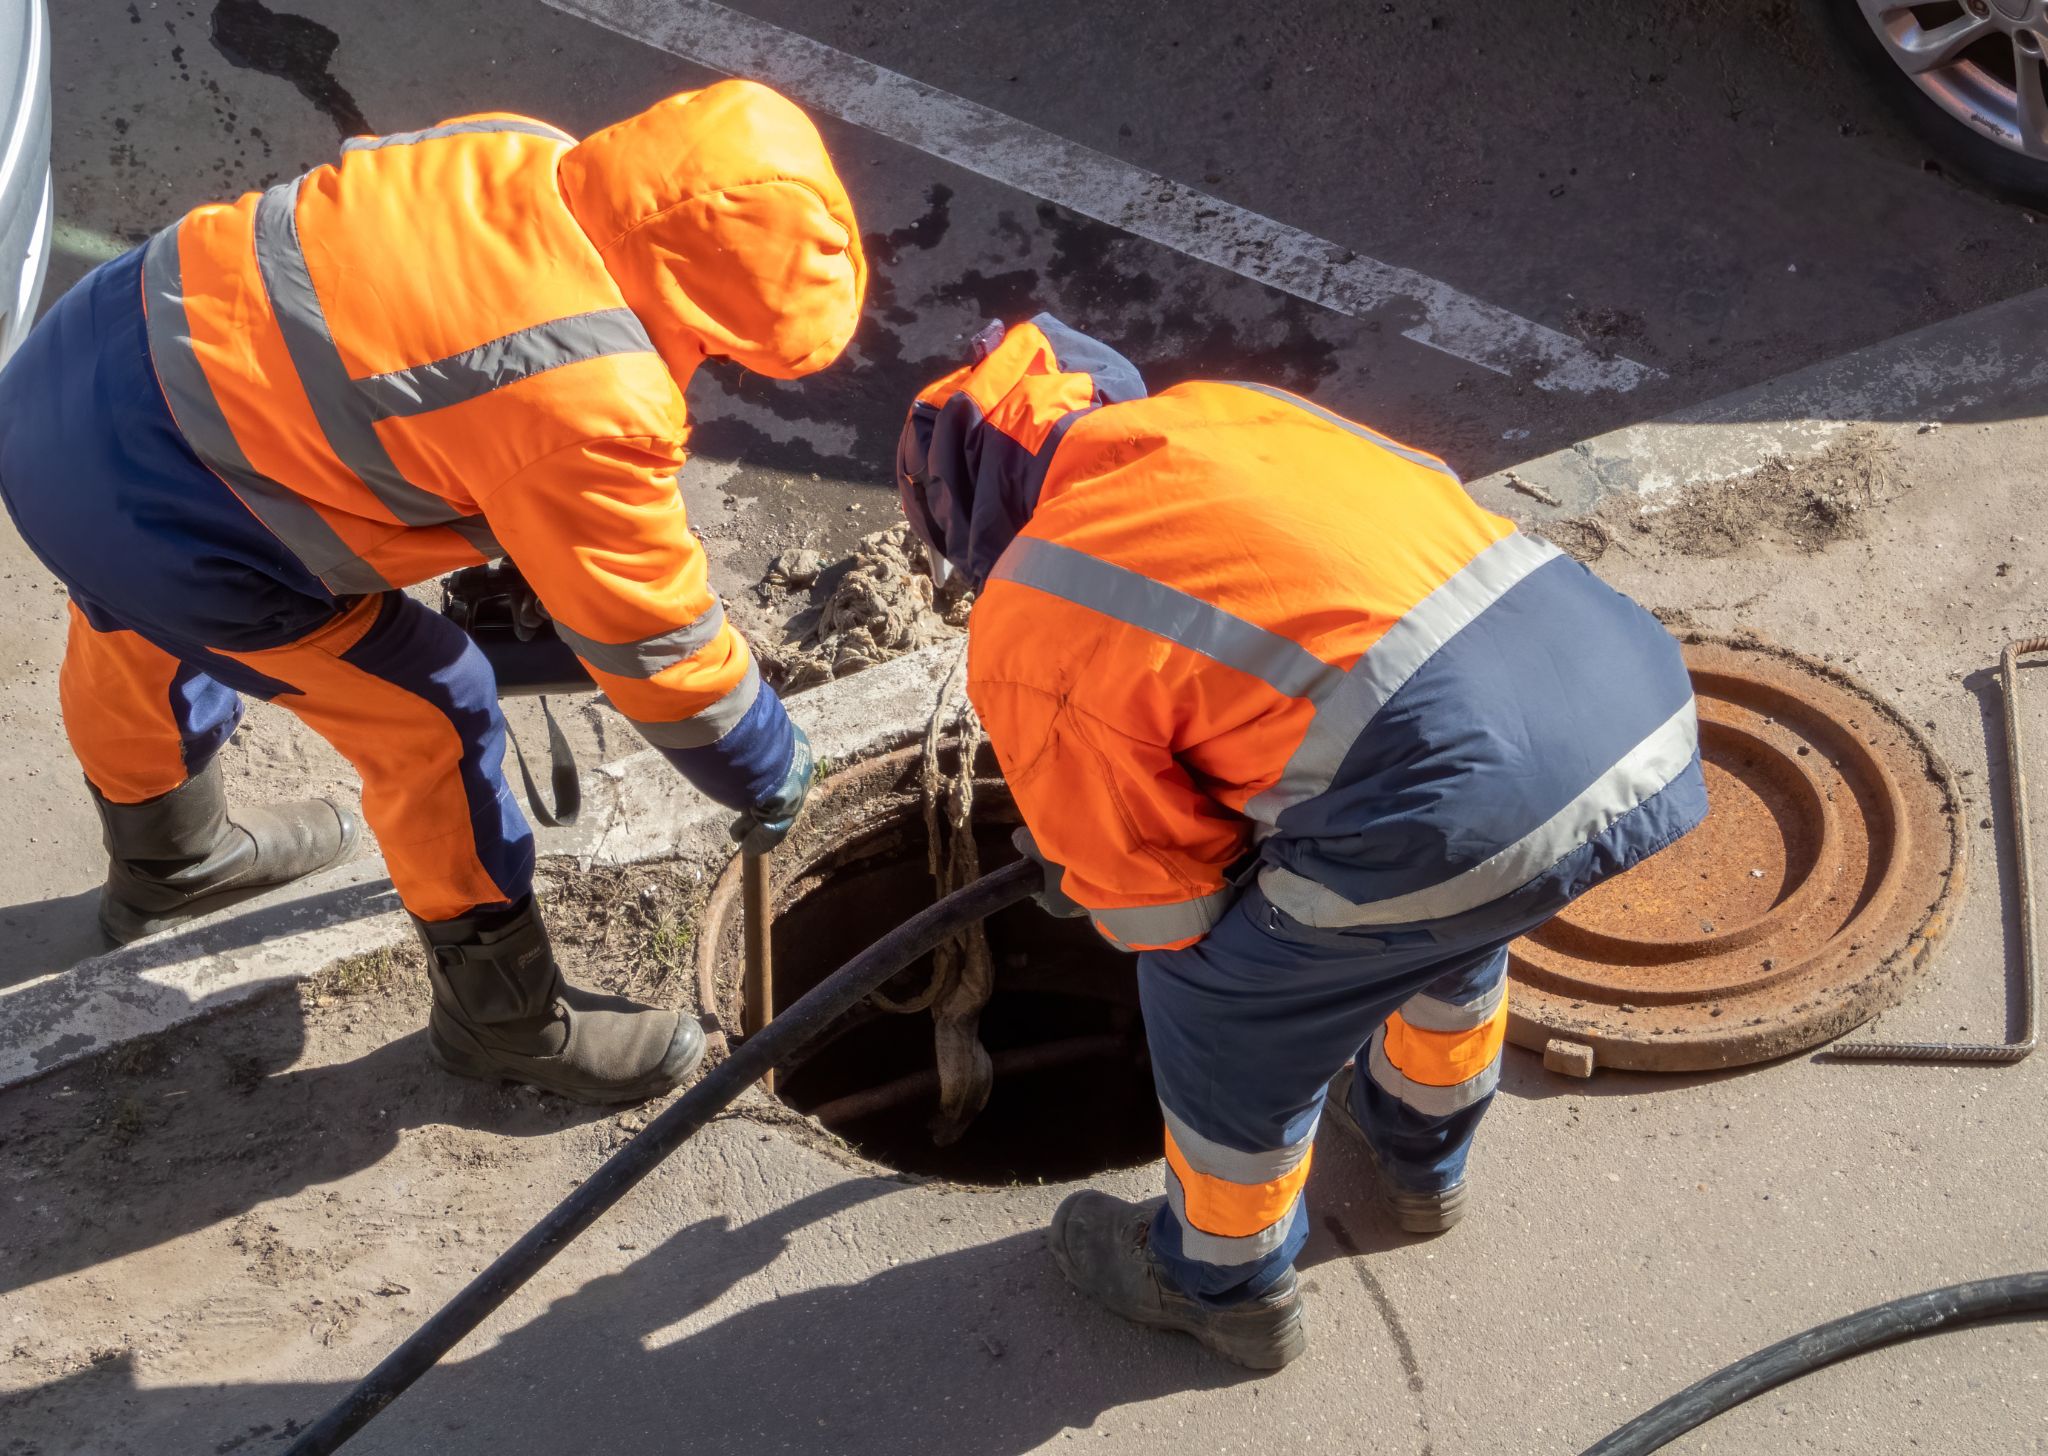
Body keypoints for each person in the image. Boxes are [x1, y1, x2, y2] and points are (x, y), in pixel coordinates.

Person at [0, 81, 865, 1105]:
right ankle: (504, 1019)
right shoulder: (596, 400)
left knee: (130, 617)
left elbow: (404, 347)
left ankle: (169, 860)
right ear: (701, 308)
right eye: (722, 346)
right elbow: (657, 642)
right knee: (433, 708)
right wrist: (760, 759)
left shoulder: (518, 148)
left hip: (83, 371)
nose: (712, 367)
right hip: (167, 512)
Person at [893, 316, 1707, 1368]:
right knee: (1439, 920)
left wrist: (1090, 874)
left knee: (1216, 999)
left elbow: (1167, 905)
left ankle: (1220, 1283)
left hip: (1458, 800)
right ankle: (1420, 1162)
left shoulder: (1032, 603)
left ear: (962, 515)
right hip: (1631, 707)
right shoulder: (1230, 412)